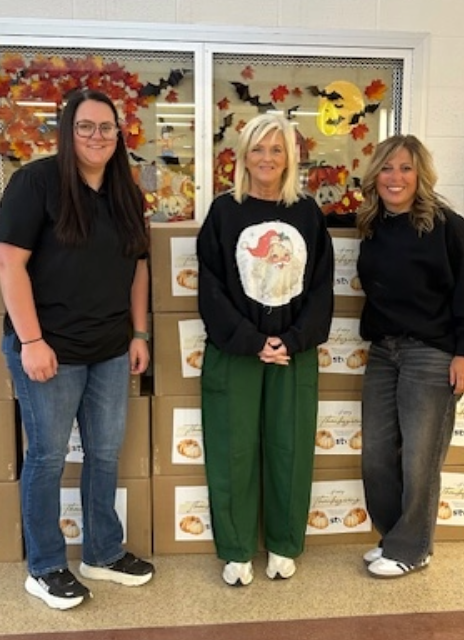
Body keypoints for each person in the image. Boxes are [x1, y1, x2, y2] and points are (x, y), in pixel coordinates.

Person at [0, 88, 154, 610]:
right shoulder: (35, 182)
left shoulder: (126, 191)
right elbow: (8, 264)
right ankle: (44, 567)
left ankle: (102, 553)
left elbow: (139, 267)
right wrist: (31, 341)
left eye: (106, 127)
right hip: (49, 350)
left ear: (118, 135)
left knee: (105, 455)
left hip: (109, 348)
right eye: (85, 126)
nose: (96, 136)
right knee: (46, 456)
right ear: (67, 131)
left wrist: (139, 333)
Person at [196, 113, 334, 587]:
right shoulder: (224, 212)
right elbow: (210, 288)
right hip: (235, 352)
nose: (267, 158)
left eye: (277, 150)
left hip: (293, 353)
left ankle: (283, 543)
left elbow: (319, 288)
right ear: (244, 156)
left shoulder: (308, 214)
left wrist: (290, 341)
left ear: (290, 157)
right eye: (258, 149)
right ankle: (236, 549)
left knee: (289, 448)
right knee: (232, 450)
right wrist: (254, 342)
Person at [355, 134, 464, 579]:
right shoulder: (373, 224)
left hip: (432, 354)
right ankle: (393, 537)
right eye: (387, 168)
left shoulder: (446, 226)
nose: (395, 178)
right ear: (375, 174)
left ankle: (413, 548)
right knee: (376, 454)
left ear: (421, 175)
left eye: (405, 168)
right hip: (383, 350)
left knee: (420, 456)